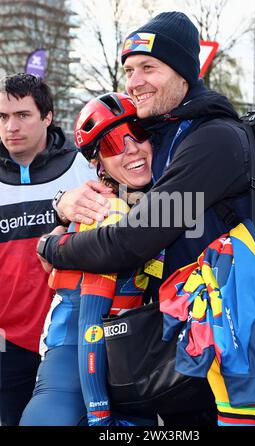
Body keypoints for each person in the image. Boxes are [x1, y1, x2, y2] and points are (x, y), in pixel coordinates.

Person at [37, 12, 255, 425]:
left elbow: (131, 240)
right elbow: (115, 188)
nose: (135, 81)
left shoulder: (213, 141)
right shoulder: (166, 134)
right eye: (129, 69)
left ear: (185, 71)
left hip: (232, 352)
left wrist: (51, 247)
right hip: (186, 348)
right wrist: (61, 206)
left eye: (149, 67)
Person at [20, 92, 154, 426]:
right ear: (98, 164)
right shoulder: (105, 210)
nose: (131, 148)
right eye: (110, 144)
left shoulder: (155, 203)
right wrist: (99, 414)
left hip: (125, 357)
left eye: (137, 132)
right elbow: (89, 325)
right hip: (78, 357)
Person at [0, 73, 97, 426]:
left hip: (69, 340)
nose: (11, 126)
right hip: (7, 345)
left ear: (47, 117)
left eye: (23, 115)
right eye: (2, 117)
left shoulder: (83, 169)